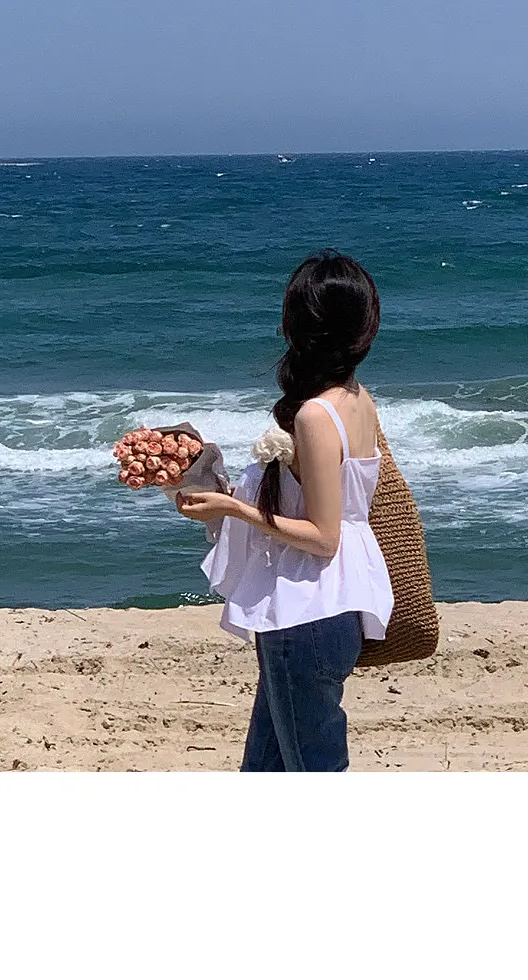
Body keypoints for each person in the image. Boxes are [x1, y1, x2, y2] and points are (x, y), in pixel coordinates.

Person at [174, 252, 393, 772]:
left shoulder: (317, 415)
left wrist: (234, 508)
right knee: (267, 767)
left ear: (297, 326)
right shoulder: (357, 398)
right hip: (340, 599)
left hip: (307, 607)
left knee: (310, 769)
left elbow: (323, 535)